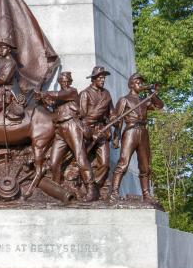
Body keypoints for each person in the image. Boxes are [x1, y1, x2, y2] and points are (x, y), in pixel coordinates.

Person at [41, 71, 99, 200]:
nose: (65, 83)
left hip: (72, 125)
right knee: (54, 162)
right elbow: (50, 104)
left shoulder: (71, 91)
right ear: (59, 82)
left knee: (80, 157)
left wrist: (43, 93)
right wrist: (41, 99)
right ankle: (57, 190)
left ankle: (91, 188)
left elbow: (58, 95)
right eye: (62, 81)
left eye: (67, 81)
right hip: (60, 129)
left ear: (71, 82)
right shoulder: (58, 98)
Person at [109, 73, 164, 203]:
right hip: (130, 131)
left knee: (145, 166)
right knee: (123, 163)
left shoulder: (144, 100)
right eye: (138, 83)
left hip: (143, 132)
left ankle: (146, 194)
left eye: (141, 83)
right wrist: (116, 136)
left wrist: (152, 92)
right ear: (131, 85)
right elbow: (118, 119)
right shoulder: (124, 100)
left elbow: (159, 106)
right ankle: (114, 192)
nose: (140, 85)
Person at [78, 65, 114, 192]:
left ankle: (95, 187)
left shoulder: (107, 94)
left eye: (104, 78)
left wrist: (114, 118)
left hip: (102, 131)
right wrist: (89, 133)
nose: (103, 80)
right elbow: (82, 117)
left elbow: (111, 112)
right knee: (81, 160)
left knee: (105, 163)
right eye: (100, 78)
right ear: (93, 79)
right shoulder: (85, 94)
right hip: (88, 130)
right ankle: (84, 185)